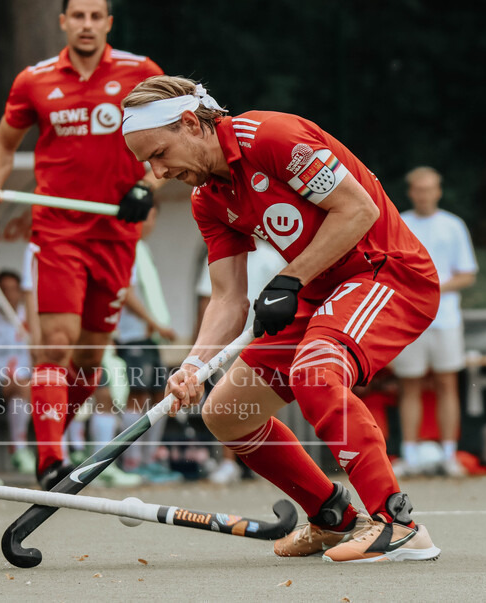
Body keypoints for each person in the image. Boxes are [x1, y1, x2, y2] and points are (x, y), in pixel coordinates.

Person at [122, 75, 442, 563]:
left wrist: (291, 279)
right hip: (321, 291)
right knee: (226, 410)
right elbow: (228, 298)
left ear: (191, 123)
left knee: (315, 370)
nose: (157, 171)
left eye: (159, 153)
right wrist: (193, 364)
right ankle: (332, 517)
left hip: (388, 274)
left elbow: (356, 210)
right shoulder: (208, 200)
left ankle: (399, 524)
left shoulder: (270, 137)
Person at [0, 0, 163, 488]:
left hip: (117, 232)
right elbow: (2, 141)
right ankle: (51, 459)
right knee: (55, 346)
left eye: (95, 15)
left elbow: (177, 135)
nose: (85, 23)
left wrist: (149, 184)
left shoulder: (140, 72)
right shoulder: (33, 80)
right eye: (76, 15)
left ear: (108, 22)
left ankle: (58, 438)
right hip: (57, 229)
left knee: (90, 357)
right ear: (63, 22)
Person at [388, 167, 477, 477]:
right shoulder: (400, 223)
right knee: (409, 385)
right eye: (418, 189)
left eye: (430, 189)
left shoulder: (453, 226)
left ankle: (450, 454)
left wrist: (432, 289)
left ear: (438, 191)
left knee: (446, 384)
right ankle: (410, 455)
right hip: (409, 320)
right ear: (411, 192)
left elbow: (466, 273)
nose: (424, 195)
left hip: (446, 320)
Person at [193, 237, 287, 485]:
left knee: (264, 401)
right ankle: (229, 462)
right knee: (224, 402)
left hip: (263, 339)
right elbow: (207, 299)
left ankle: (262, 459)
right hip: (228, 338)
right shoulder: (222, 254)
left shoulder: (273, 257)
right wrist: (200, 346)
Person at [115, 203, 183, 483]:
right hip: (131, 335)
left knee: (160, 396)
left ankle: (148, 459)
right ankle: (131, 462)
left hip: (148, 336)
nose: (153, 224)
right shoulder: (127, 246)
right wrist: (155, 323)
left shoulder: (142, 248)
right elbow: (126, 293)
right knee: (137, 395)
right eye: (152, 218)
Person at [0, 270, 36, 474]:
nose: (10, 295)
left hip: (25, 385)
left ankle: (69, 452)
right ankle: (19, 449)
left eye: (14, 290)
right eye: (4, 290)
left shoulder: (30, 319)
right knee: (22, 386)